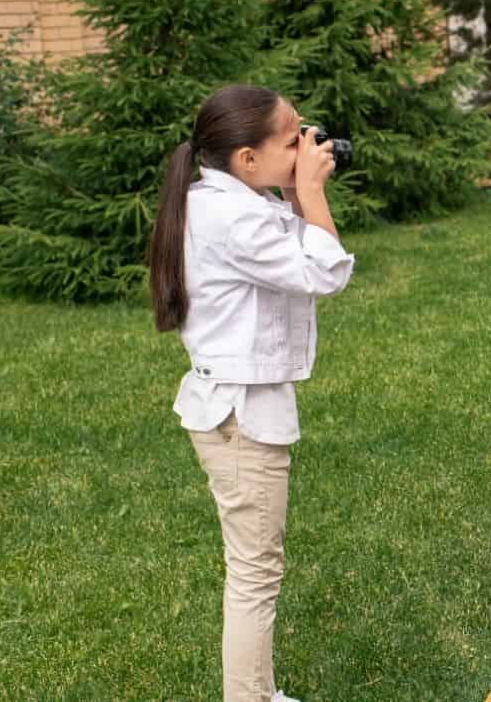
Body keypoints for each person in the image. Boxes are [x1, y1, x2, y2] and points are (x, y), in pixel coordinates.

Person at [148, 85, 355, 702]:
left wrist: (296, 189)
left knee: (255, 567)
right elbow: (323, 271)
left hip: (236, 406)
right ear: (245, 158)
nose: (306, 144)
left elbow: (293, 252)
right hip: (241, 414)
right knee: (254, 573)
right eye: (292, 138)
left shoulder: (231, 201)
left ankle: (259, 693)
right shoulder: (231, 216)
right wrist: (312, 192)